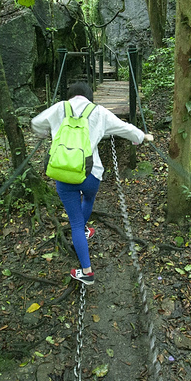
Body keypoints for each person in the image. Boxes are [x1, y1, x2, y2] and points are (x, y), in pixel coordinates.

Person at [31, 81, 153, 285]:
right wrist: (143, 136)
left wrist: (48, 133)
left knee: (75, 223)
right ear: (89, 97)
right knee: (88, 197)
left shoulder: (59, 108)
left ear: (70, 96)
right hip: (91, 174)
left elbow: (36, 123)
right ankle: (85, 245)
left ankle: (86, 268)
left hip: (63, 174)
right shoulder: (99, 111)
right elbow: (125, 128)